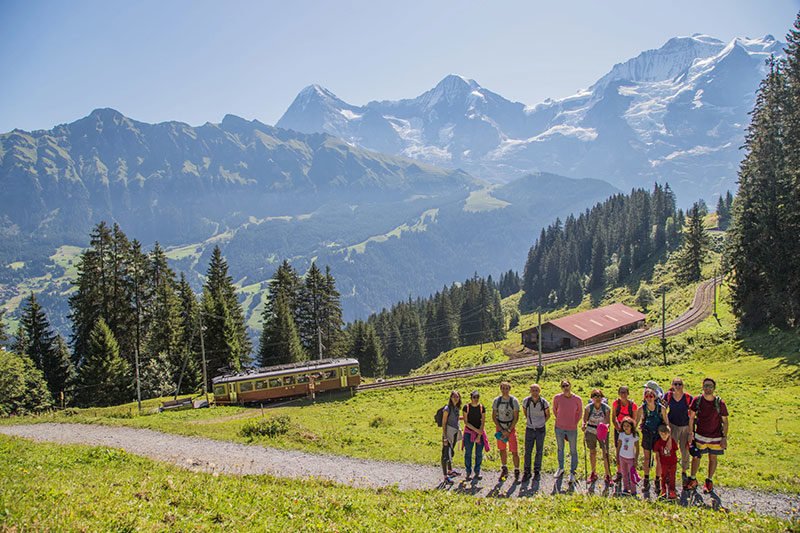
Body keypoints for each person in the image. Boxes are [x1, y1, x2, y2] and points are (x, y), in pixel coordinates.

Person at [685, 377, 729, 493]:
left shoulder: (720, 403)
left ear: (714, 388)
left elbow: (725, 421)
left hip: (716, 436)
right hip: (700, 435)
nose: (707, 388)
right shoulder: (697, 400)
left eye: (710, 386)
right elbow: (691, 418)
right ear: (702, 387)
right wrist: (690, 433)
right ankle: (693, 479)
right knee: (696, 457)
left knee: (713, 458)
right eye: (705, 386)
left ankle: (709, 481)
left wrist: (724, 438)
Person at [635, 386, 670, 492]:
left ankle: (657, 480)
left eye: (651, 396)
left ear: (655, 397)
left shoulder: (661, 408)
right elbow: (636, 422)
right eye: (647, 396)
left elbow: (667, 423)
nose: (649, 398)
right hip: (647, 434)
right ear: (644, 397)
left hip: (658, 435)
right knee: (646, 458)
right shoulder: (642, 408)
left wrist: (668, 438)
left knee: (658, 458)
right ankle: (646, 480)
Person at [662, 377, 693, 483]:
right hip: (672, 426)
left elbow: (692, 415)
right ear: (672, 385)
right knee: (669, 449)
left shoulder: (688, 398)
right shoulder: (668, 396)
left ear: (683, 386)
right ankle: (668, 471)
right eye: (675, 384)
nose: (678, 386)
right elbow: (663, 409)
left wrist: (691, 432)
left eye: (680, 384)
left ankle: (684, 472)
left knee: (685, 451)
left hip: (685, 426)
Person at [552, 379, 583, 484]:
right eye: (563, 386)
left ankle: (572, 472)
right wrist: (560, 419)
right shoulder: (557, 398)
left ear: (570, 386)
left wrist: (575, 422)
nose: (565, 388)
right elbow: (555, 410)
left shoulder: (577, 399)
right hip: (559, 427)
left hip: (572, 428)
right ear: (561, 388)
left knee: (573, 450)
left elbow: (580, 412)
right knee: (560, 449)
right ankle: (560, 468)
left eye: (567, 385)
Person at [582, 388, 612, 485]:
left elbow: (608, 422)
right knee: (592, 452)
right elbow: (584, 420)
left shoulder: (606, 408)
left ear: (602, 397)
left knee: (605, 453)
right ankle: (593, 473)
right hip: (591, 431)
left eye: (599, 396)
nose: (597, 398)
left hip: (602, 431)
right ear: (592, 398)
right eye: (595, 396)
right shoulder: (588, 408)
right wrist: (583, 425)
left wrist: (604, 427)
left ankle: (608, 475)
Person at [521, 383, 550, 481]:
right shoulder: (526, 401)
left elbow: (548, 415)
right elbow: (525, 412)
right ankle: (527, 471)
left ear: (539, 391)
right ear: (530, 391)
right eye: (533, 390)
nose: (535, 392)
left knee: (539, 450)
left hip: (540, 429)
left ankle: (537, 471)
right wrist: (531, 422)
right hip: (529, 429)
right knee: (527, 451)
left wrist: (541, 423)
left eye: (536, 390)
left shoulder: (544, 402)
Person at [492, 381, 521, 481]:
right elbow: (494, 417)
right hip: (500, 427)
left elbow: (516, 418)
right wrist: (501, 429)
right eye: (503, 388)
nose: (505, 390)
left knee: (514, 450)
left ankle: (517, 470)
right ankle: (504, 468)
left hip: (511, 428)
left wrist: (508, 430)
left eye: (506, 388)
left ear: (509, 389)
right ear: (500, 389)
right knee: (502, 449)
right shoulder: (497, 401)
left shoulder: (514, 401)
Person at [612, 386, 638, 483]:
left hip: (629, 431)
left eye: (625, 392)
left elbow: (634, 420)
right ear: (619, 393)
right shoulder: (616, 403)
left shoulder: (633, 405)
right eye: (621, 392)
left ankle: (629, 471)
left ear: (628, 393)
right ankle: (620, 472)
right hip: (618, 429)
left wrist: (629, 430)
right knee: (618, 449)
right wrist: (618, 428)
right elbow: (614, 417)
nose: (623, 394)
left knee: (630, 449)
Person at [462, 390, 487, 481]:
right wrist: (476, 431)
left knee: (479, 453)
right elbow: (466, 422)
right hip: (469, 433)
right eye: (474, 397)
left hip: (480, 432)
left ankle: (477, 471)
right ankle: (468, 472)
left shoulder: (482, 407)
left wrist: (479, 435)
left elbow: (483, 421)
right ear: (471, 398)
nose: (476, 399)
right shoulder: (466, 407)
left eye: (477, 397)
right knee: (468, 453)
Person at [441, 390, 463, 484]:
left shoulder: (456, 408)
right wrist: (445, 437)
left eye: (457, 397)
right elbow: (444, 423)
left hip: (454, 433)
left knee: (451, 453)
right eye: (454, 396)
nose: (456, 398)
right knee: (445, 454)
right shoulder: (447, 408)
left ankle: (450, 471)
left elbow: (455, 418)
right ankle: (445, 476)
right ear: (450, 398)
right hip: (448, 433)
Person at [653, 424, 679, 499]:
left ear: (669, 434)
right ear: (659, 433)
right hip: (663, 463)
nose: (664, 436)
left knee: (672, 477)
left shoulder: (672, 441)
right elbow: (656, 453)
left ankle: (672, 491)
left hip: (672, 462)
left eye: (666, 434)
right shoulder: (658, 443)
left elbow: (675, 450)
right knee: (663, 476)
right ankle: (663, 490)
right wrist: (658, 462)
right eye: (662, 434)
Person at [616, 416, 639, 495]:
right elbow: (619, 446)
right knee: (624, 474)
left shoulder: (634, 436)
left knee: (632, 474)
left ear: (631, 426)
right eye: (624, 426)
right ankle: (626, 489)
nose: (626, 427)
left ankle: (633, 490)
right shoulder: (621, 435)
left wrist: (636, 459)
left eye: (628, 426)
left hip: (631, 458)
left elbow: (637, 448)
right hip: (622, 457)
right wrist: (617, 457)